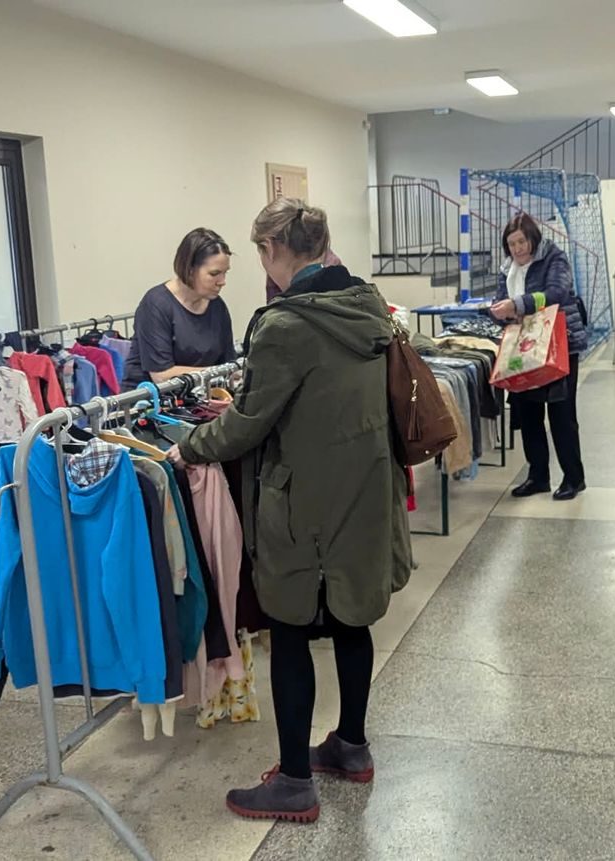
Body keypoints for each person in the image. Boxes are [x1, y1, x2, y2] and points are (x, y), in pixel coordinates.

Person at [167, 199, 412, 823]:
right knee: (353, 619)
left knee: (293, 628)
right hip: (365, 489)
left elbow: (248, 422)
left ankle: (295, 782)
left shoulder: (285, 325)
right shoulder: (366, 304)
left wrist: (187, 447)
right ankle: (351, 746)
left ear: (271, 250)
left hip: (303, 500)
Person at [490, 213, 589, 501]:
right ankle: (538, 476)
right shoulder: (506, 268)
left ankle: (574, 478)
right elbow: (500, 301)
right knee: (528, 414)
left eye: (521, 241)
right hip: (523, 349)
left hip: (559, 345)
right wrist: (499, 312)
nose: (517, 249)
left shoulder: (554, 258)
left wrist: (517, 304)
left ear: (533, 238)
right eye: (511, 244)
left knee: (561, 415)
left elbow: (556, 293)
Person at [122, 227, 239, 389]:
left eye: (225, 273)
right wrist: (217, 373)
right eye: (214, 274)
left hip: (198, 395)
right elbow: (161, 376)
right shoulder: (156, 304)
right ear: (189, 270)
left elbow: (228, 364)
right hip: (151, 399)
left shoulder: (217, 306)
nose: (222, 281)